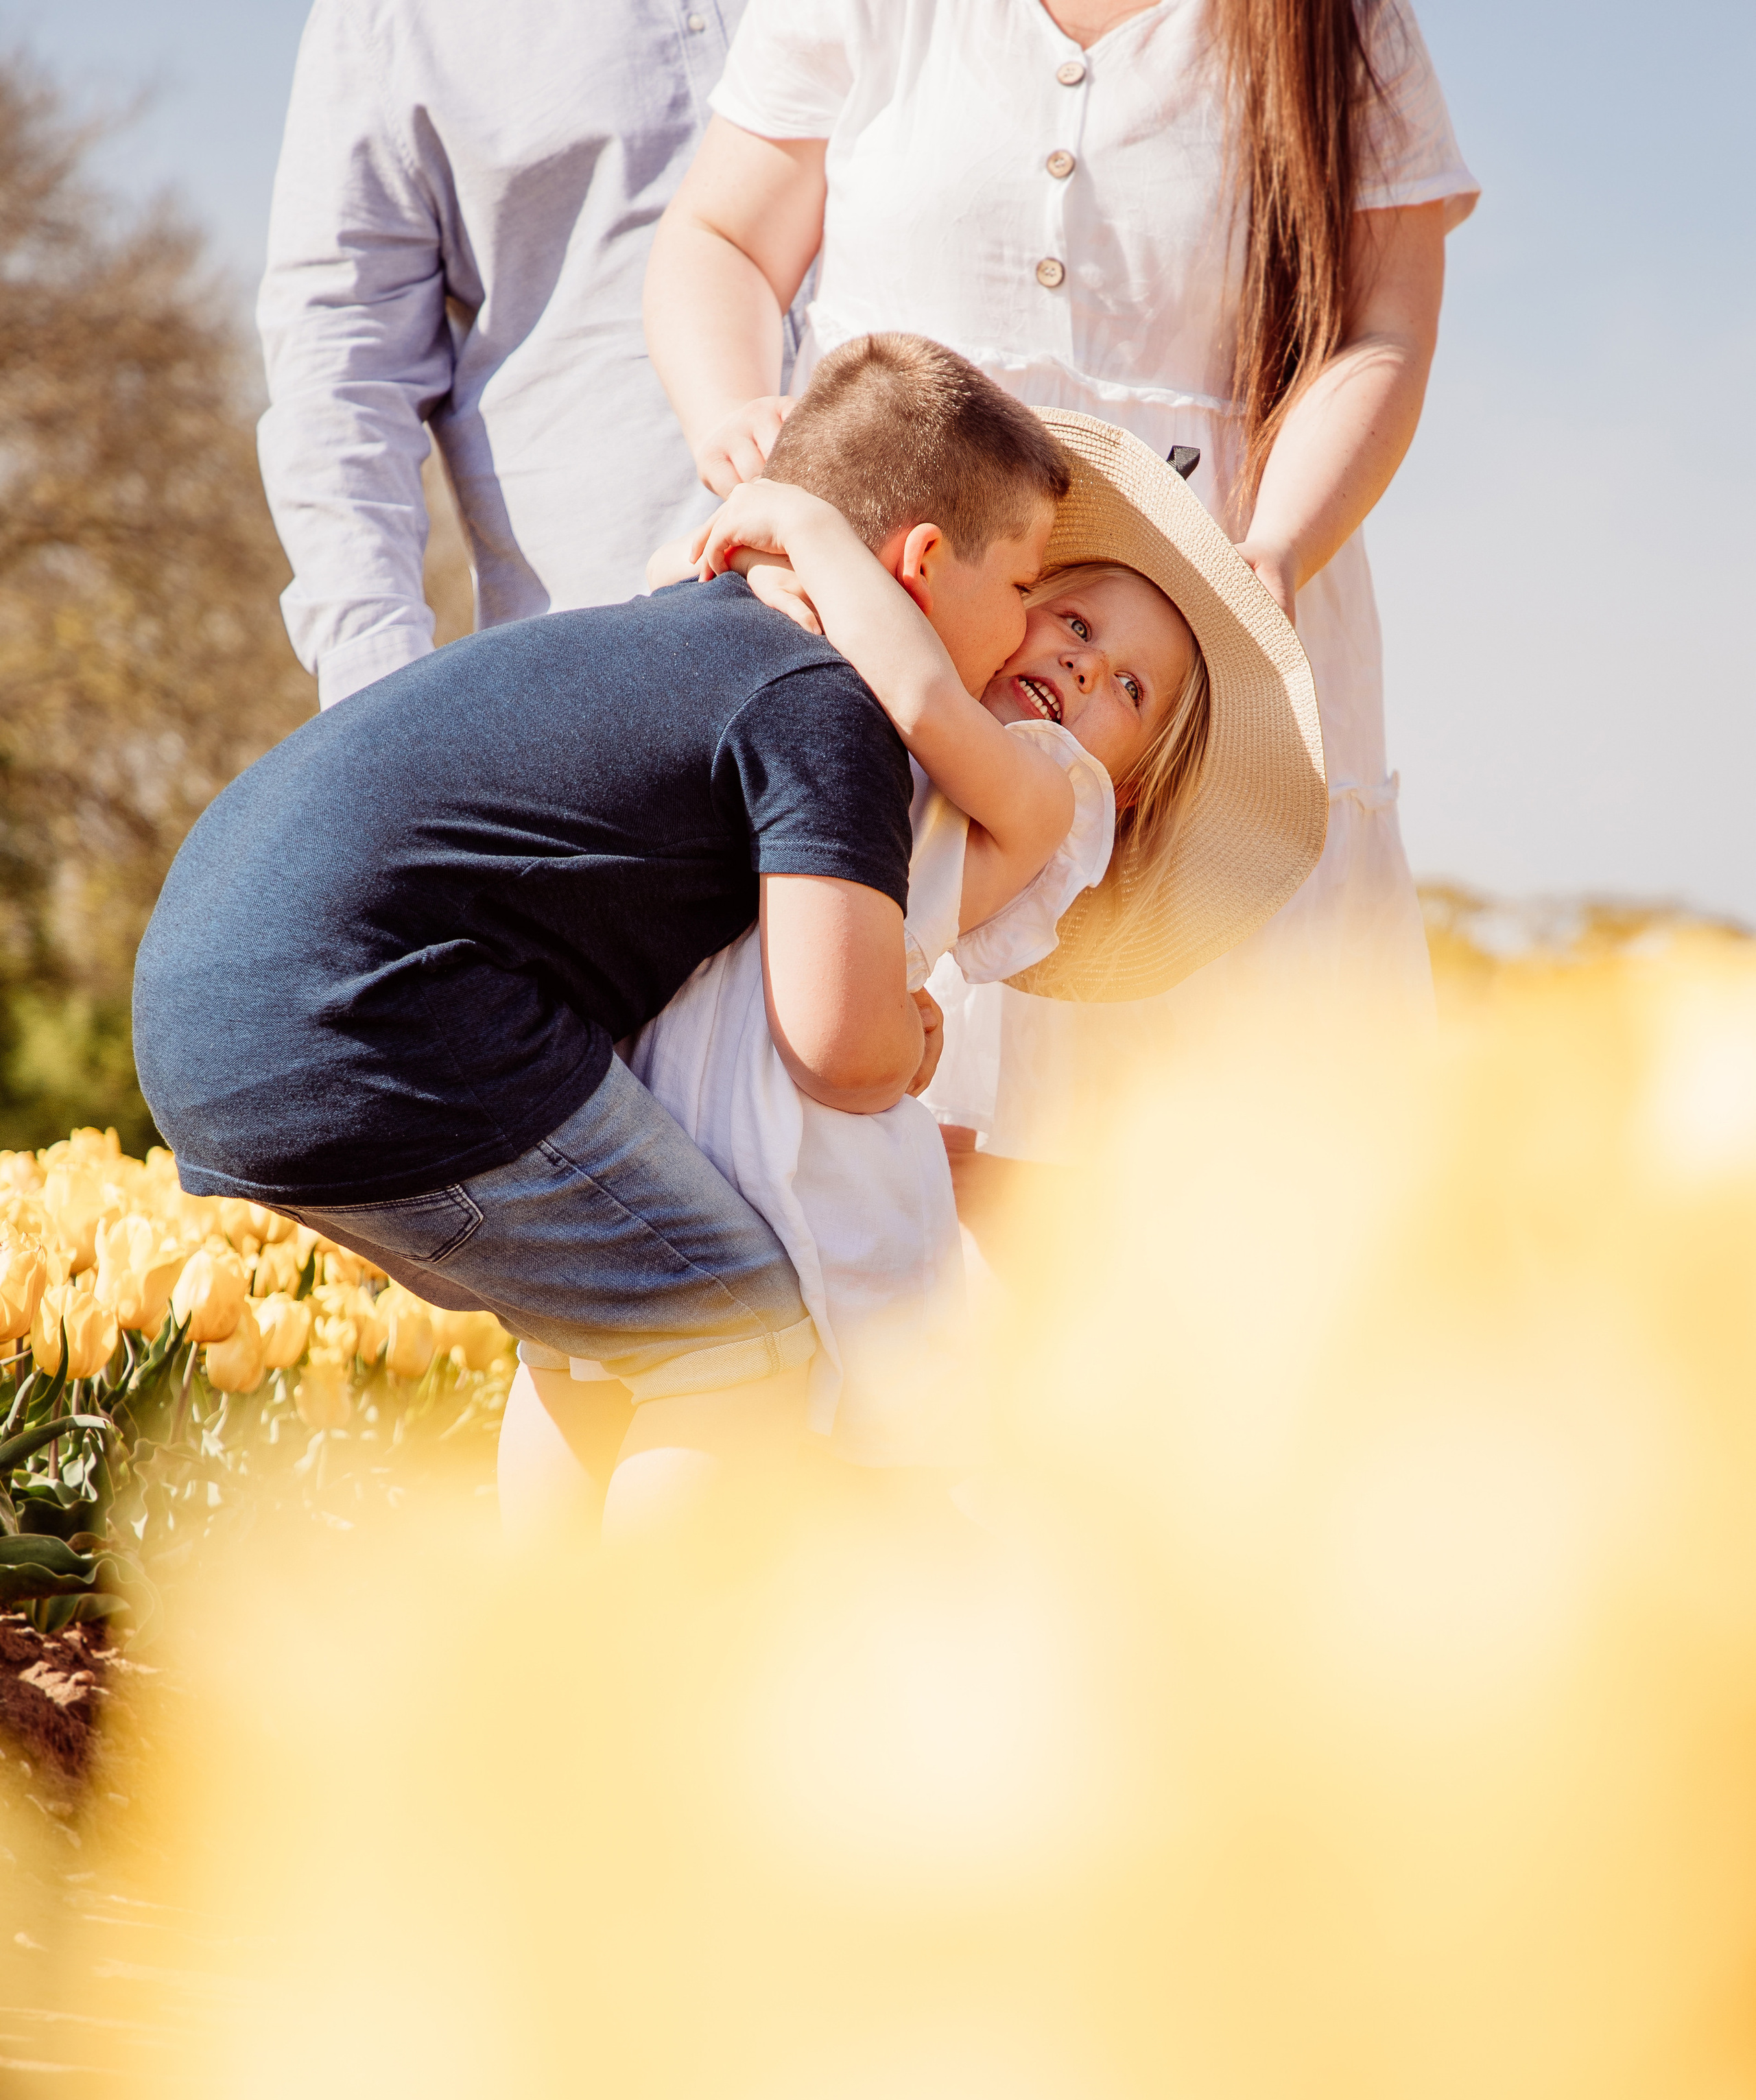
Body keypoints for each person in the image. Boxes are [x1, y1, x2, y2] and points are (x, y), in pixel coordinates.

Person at [129, 343, 1069, 1525]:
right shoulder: (824, 701)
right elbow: (840, 1046)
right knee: (729, 1340)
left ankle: (540, 1660)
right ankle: (634, 1696)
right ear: (923, 562)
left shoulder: (680, 628)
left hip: (210, 992)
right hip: (367, 1016)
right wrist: (919, 1045)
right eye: (1028, 587)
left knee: (604, 1342)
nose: (1032, 634)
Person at [642, 0, 1480, 1182]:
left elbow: (1383, 325)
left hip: (1199, 649)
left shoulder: (1335, 24)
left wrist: (1278, 544)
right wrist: (734, 412)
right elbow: (721, 235)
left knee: (1200, 1199)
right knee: (808, 1132)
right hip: (877, 613)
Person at [622, 389, 1325, 1472]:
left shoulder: (1044, 799)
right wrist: (762, 576)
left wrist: (808, 529)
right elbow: (681, 587)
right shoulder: (860, 680)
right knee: (580, 1364)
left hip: (798, 1114)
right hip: (686, 1059)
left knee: (739, 1382)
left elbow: (921, 697)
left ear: (1124, 789)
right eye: (1077, 625)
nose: (1088, 669)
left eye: (1128, 688)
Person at [257, 0, 780, 711]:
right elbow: (343, 378)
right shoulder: (391, 23)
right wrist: (380, 711)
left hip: (952, 660)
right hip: (608, 690)